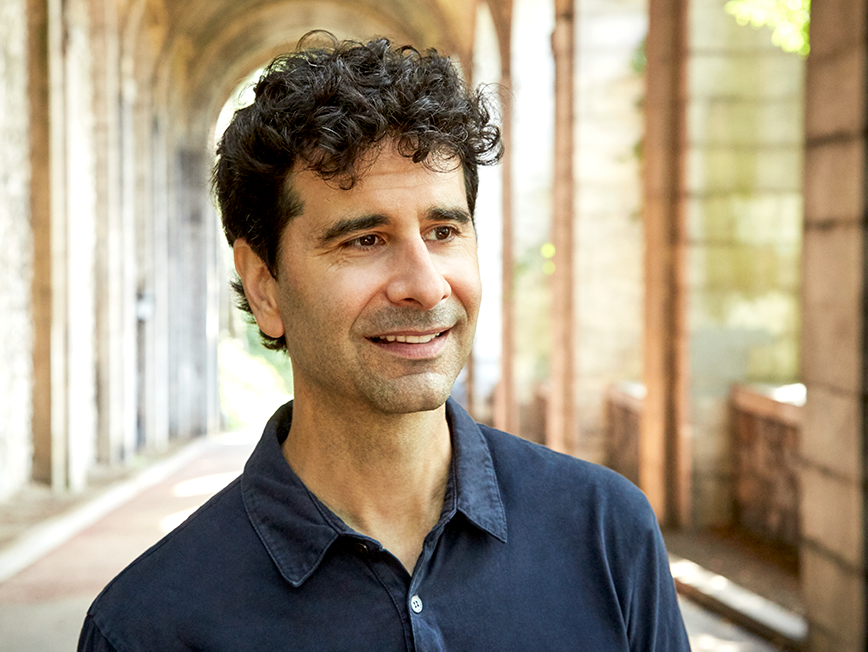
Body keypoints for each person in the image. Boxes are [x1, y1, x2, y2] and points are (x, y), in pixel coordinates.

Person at [78, 32, 689, 651]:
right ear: (265, 287)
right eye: (364, 240)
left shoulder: (608, 533)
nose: (425, 287)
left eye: (444, 230)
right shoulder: (145, 628)